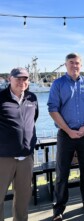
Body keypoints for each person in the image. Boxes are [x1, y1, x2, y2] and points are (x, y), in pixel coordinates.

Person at [47, 53, 84, 221]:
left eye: (77, 63)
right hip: (66, 134)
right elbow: (52, 109)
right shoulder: (58, 84)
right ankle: (58, 209)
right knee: (62, 172)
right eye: (71, 63)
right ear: (65, 65)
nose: (74, 65)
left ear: (81, 65)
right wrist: (68, 130)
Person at [0, 67, 39, 221]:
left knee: (23, 199)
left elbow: (32, 120)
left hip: (26, 157)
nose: (21, 82)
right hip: (3, 158)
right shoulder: (1, 97)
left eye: (25, 79)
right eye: (18, 79)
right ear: (10, 79)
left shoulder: (32, 98)